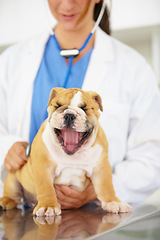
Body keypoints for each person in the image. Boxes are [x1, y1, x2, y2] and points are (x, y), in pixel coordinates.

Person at [0, 0, 160, 210]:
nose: (66, 4)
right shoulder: (12, 60)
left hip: (92, 220)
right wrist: (7, 147)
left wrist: (98, 190)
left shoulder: (133, 68)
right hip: (23, 215)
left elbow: (152, 155)